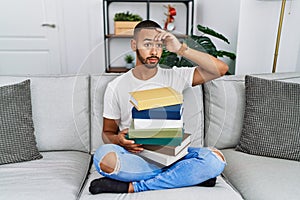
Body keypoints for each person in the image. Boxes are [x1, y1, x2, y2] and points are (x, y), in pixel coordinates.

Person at [89, 20, 228, 194]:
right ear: (134, 45)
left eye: (159, 45)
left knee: (215, 159)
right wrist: (119, 140)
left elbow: (221, 69)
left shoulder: (176, 75)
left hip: (174, 154)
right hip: (138, 156)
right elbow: (107, 133)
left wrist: (180, 48)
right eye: (147, 44)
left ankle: (135, 186)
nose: (154, 51)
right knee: (103, 158)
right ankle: (186, 176)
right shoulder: (116, 86)